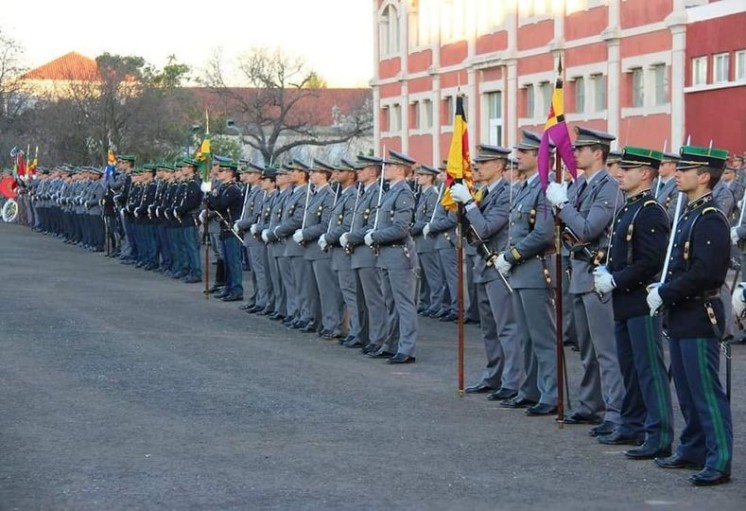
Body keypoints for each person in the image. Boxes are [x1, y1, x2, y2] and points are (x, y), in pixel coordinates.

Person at [647, 145, 732, 487]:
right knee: (685, 387)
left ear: (704, 176)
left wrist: (665, 292)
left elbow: (705, 272)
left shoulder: (710, 218)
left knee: (705, 391)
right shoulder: (691, 213)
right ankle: (694, 447)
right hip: (683, 313)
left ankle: (719, 458)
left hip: (699, 312)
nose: (677, 173)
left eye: (686, 169)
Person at [592, 146, 673, 458]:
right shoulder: (629, 208)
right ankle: (631, 424)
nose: (619, 173)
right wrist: (607, 271)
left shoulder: (650, 211)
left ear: (645, 174)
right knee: (630, 367)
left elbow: (650, 261)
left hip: (641, 300)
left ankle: (659, 434)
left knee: (649, 369)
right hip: (625, 302)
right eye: (619, 167)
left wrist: (616, 279)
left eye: (627, 168)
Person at [546, 127, 625, 434]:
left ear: (598, 153)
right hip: (578, 272)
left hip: (596, 273)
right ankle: (591, 403)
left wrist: (562, 206)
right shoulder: (580, 184)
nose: (575, 153)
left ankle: (615, 411)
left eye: (582, 149)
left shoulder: (608, 186)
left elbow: (588, 229)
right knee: (587, 347)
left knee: (606, 349)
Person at [451, 144, 523, 400]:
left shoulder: (507, 193)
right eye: (477, 163)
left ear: (499, 166)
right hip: (482, 265)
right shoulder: (484, 192)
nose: (477, 167)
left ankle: (512, 380)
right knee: (489, 328)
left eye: (484, 163)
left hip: (499, 266)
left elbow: (486, 228)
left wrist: (469, 203)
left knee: (506, 327)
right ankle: (494, 375)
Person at [496, 130, 557, 416]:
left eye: (524, 151)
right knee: (526, 337)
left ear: (540, 156)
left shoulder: (546, 186)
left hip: (536, 270)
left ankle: (551, 394)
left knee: (543, 336)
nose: (517, 156)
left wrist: (511, 255)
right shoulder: (524, 187)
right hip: (521, 271)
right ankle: (530, 389)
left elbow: (544, 234)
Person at [364, 150, 419, 364]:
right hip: (386, 254)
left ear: (400, 169)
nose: (385, 169)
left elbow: (401, 229)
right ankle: (392, 343)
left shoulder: (403, 193)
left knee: (404, 303)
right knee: (391, 302)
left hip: (398, 254)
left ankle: (407, 348)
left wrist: (374, 236)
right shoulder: (390, 192)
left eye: (389, 166)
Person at [206, 160, 244, 301]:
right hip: (224, 227)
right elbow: (213, 205)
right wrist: (211, 197)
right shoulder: (224, 188)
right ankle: (228, 288)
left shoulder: (233, 189)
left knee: (233, 261)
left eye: (222, 171)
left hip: (231, 228)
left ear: (229, 173)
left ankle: (236, 289)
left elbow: (220, 205)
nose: (219, 173)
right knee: (227, 261)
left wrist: (211, 196)